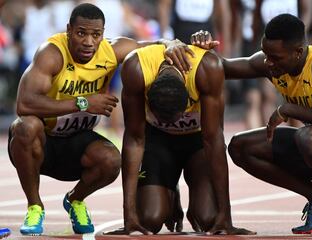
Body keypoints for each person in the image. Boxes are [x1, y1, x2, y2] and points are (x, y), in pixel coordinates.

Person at [7, 3, 193, 236]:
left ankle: (75, 200)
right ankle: (35, 206)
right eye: (81, 33)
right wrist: (83, 102)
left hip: (77, 144)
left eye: (96, 35)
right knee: (25, 126)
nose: (88, 42)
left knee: (111, 159)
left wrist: (171, 42)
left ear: (103, 34)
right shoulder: (52, 53)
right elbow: (24, 104)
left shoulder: (112, 50)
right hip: (44, 143)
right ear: (69, 31)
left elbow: (154, 45)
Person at [192, 13, 312, 235]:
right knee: (241, 147)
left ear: (298, 52)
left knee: (308, 137)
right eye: (266, 54)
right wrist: (201, 52)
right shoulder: (272, 63)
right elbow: (224, 68)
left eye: (276, 57)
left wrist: (288, 109)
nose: (269, 62)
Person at [104, 43, 255, 235]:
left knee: (208, 219)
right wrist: (129, 216)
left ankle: (190, 203)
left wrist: (226, 215)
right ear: (148, 100)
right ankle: (170, 191)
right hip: (157, 141)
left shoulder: (206, 68)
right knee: (149, 220)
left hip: (198, 141)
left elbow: (214, 141)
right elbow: (134, 139)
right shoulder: (136, 68)